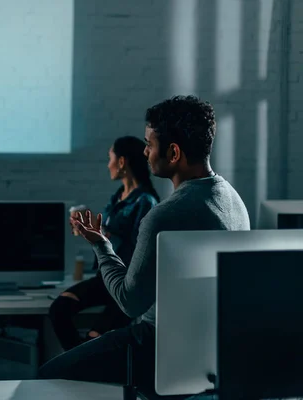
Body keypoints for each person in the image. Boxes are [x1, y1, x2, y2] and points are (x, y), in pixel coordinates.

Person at [39, 95, 250, 388]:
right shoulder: (235, 200)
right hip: (211, 351)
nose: (146, 152)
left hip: (156, 345)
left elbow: (129, 302)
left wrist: (101, 245)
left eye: (149, 144)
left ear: (173, 153)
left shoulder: (164, 215)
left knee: (48, 377)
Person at [48, 136, 159, 351]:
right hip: (104, 278)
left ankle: (83, 367)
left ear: (122, 162)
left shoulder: (146, 201)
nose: (108, 164)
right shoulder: (118, 196)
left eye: (110, 158)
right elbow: (108, 234)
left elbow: (142, 247)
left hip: (127, 283)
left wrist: (104, 235)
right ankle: (79, 365)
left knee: (94, 337)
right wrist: (89, 231)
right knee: (59, 310)